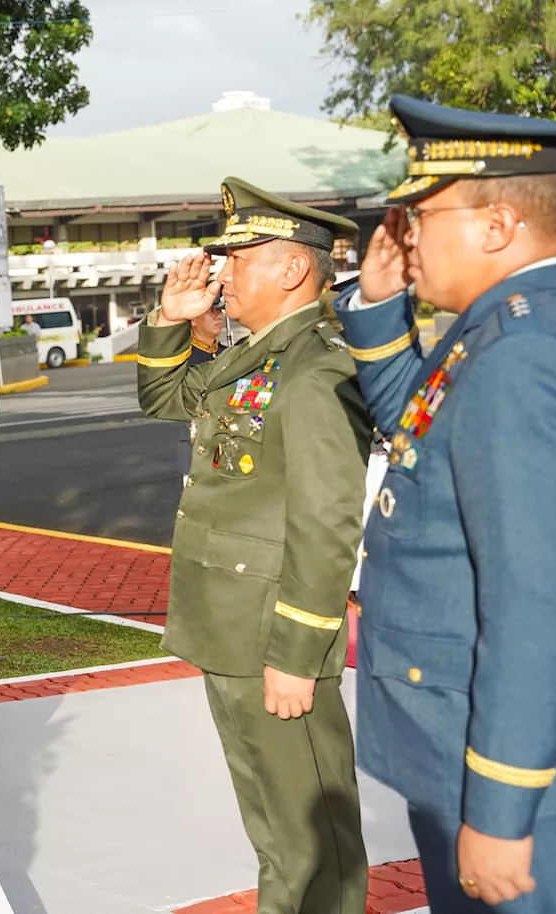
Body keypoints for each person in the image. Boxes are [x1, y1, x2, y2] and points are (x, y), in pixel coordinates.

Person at [335, 95, 556, 912]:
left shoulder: (523, 356)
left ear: (496, 226)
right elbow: (418, 433)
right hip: (456, 729)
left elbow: (540, 608)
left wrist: (499, 808)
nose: (404, 236)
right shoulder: (497, 326)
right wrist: (382, 304)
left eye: (421, 216)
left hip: (503, 765)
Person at [137, 178, 371, 912]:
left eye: (240, 258)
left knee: (310, 841)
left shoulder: (316, 366)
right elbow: (167, 399)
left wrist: (297, 658)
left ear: (293, 269)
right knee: (273, 826)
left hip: (273, 634)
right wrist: (176, 322)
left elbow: (327, 521)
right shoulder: (258, 356)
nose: (222, 272)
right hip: (232, 625)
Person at [174, 301, 227, 476]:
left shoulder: (229, 354)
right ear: (194, 319)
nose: (218, 316)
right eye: (211, 311)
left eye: (219, 311)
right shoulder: (182, 360)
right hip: (197, 448)